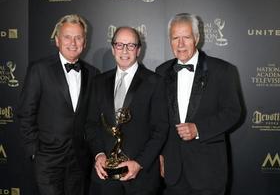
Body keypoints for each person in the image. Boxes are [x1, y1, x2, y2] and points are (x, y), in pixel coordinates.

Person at [156, 13, 242, 195]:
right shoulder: (161, 72)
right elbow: (160, 120)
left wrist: (198, 129)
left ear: (197, 38)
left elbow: (233, 112)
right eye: (175, 38)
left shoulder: (223, 70)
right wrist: (161, 154)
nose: (180, 44)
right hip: (173, 172)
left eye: (186, 37)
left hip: (208, 172)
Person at [17, 14, 100, 195]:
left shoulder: (93, 74)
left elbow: (92, 119)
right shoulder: (39, 69)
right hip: (47, 160)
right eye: (67, 37)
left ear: (84, 42)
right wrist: (35, 152)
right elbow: (26, 113)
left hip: (79, 161)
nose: (73, 42)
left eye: (78, 37)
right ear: (57, 40)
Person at [85, 26, 169, 195]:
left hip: (141, 179)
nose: (124, 50)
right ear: (112, 49)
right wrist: (99, 154)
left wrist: (139, 162)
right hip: (105, 178)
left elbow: (160, 130)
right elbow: (90, 125)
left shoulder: (156, 82)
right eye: (119, 45)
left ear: (138, 50)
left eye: (131, 45)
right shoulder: (98, 82)